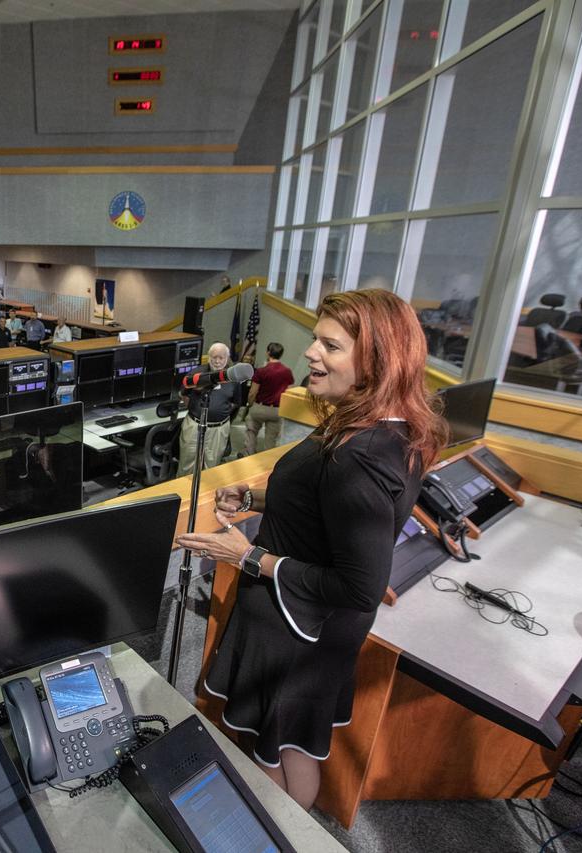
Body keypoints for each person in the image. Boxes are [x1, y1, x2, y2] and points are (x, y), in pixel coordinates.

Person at [176, 290, 449, 811]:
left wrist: (246, 556)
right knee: (292, 746)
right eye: (315, 339)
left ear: (378, 359)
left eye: (331, 345)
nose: (310, 352)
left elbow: (360, 587)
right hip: (307, 626)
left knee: (272, 758)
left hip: (297, 630)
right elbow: (325, 504)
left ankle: (278, 834)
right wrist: (256, 498)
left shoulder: (360, 457)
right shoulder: (380, 426)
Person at [177, 342, 238, 475]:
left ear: (227, 358)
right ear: (208, 357)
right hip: (194, 426)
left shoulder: (233, 377)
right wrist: (195, 410)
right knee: (187, 465)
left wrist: (219, 414)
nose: (217, 361)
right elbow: (184, 395)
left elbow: (235, 403)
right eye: (214, 357)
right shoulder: (196, 374)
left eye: (221, 357)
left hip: (219, 429)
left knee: (211, 467)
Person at [243, 342, 296, 455]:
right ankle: (266, 460)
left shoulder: (261, 371)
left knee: (251, 432)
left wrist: (250, 404)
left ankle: (249, 455)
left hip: (260, 407)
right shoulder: (287, 372)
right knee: (271, 440)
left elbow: (253, 392)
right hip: (276, 410)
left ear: (268, 353)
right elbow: (290, 391)